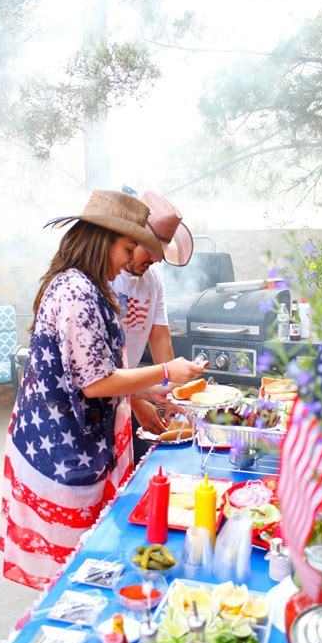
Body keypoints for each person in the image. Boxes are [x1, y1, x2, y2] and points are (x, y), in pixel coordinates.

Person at [0, 190, 207, 590]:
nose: (132, 260)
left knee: (84, 561)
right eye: (129, 248)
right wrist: (165, 370)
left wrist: (147, 393)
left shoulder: (87, 286)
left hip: (76, 438)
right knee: (70, 573)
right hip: (59, 446)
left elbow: (90, 371)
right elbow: (96, 384)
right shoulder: (77, 292)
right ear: (102, 240)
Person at [112, 191, 194, 460]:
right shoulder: (105, 278)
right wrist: (136, 401)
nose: (156, 260)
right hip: (108, 389)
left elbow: (159, 337)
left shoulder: (153, 277)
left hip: (125, 385)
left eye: (160, 253)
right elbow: (95, 374)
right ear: (130, 239)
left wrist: (172, 393)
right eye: (149, 248)